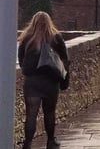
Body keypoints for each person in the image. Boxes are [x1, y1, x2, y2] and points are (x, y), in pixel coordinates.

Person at [17, 11, 70, 149]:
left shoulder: (26, 38)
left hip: (32, 83)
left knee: (31, 114)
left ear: (33, 23)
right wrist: (65, 81)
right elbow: (65, 60)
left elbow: (21, 60)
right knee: (49, 112)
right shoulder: (56, 38)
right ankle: (51, 141)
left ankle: (27, 144)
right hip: (50, 82)